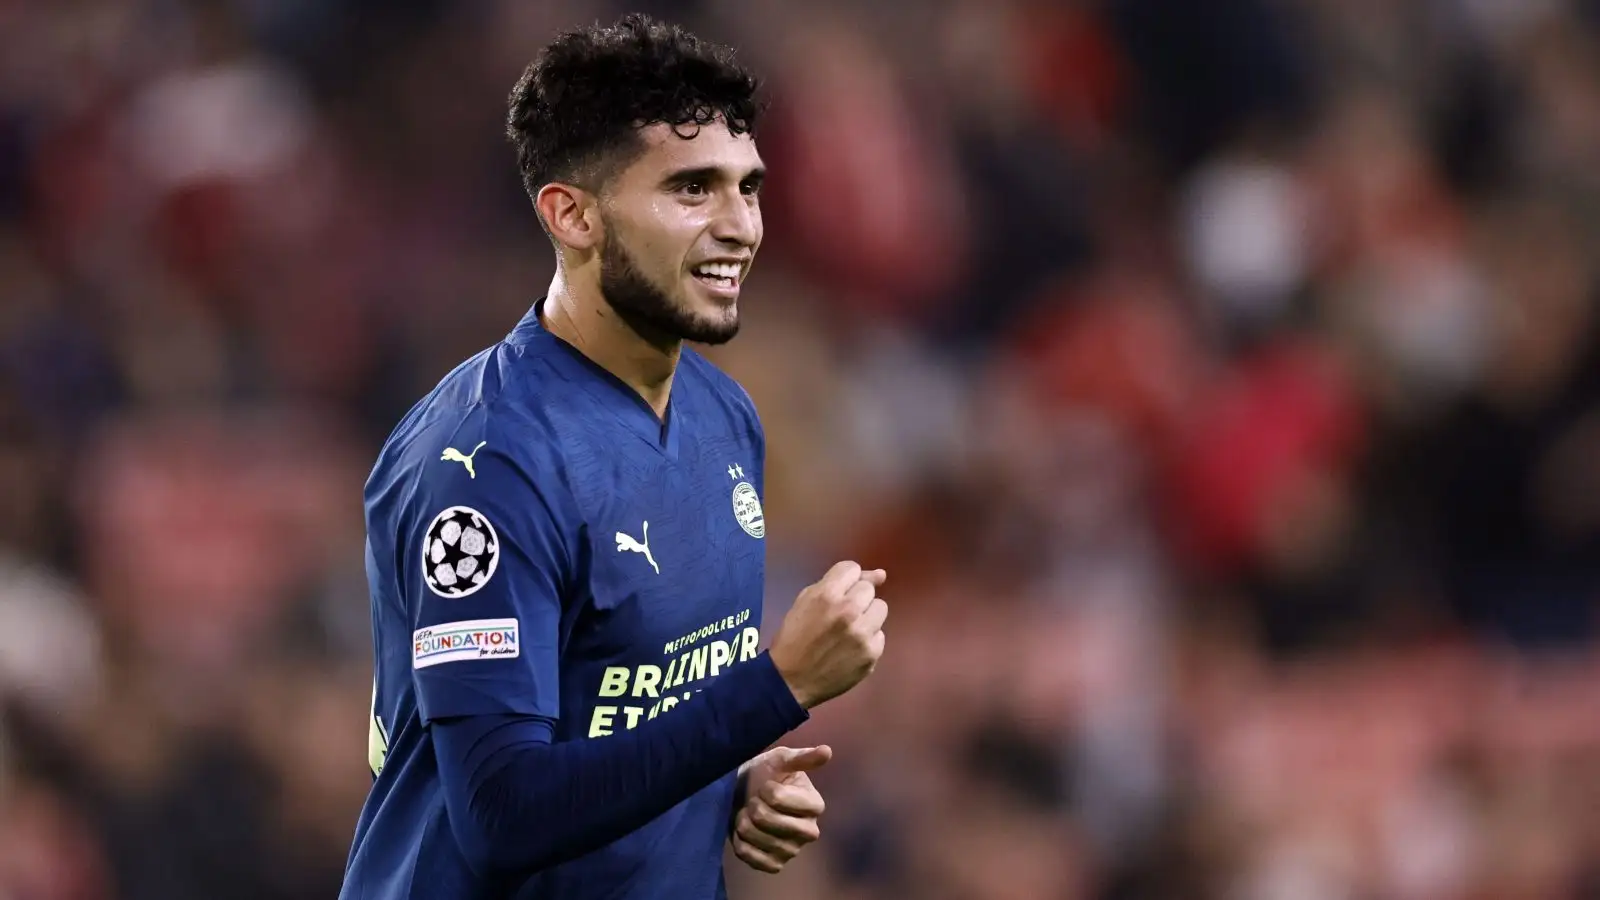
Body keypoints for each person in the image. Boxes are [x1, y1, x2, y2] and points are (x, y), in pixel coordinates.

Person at [338, 13, 890, 900]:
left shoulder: (723, 417)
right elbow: (503, 814)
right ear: (572, 215)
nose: (740, 225)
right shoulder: (488, 463)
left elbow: (629, 716)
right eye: (692, 190)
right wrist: (776, 687)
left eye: (748, 187)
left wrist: (727, 790)